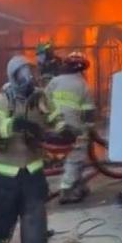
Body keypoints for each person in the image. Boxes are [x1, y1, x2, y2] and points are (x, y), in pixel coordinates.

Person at [0, 55, 68, 243]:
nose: (28, 78)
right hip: (4, 176)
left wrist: (62, 131)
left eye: (29, 71)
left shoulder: (40, 98)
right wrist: (16, 124)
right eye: (22, 73)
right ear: (13, 77)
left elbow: (55, 119)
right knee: (1, 223)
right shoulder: (4, 99)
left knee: (35, 222)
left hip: (32, 173)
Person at [45, 51, 95, 205]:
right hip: (72, 131)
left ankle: (78, 185)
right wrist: (88, 130)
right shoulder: (83, 85)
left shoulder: (55, 81)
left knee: (75, 156)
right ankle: (66, 190)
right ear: (81, 69)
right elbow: (88, 113)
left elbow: (42, 102)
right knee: (77, 155)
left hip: (51, 130)